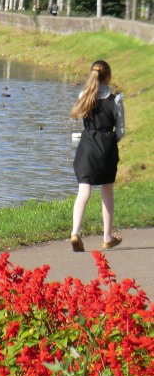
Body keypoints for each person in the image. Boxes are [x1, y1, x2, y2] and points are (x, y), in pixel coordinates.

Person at [69, 60, 124, 252]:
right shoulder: (115, 99)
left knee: (83, 191)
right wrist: (110, 141)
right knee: (107, 191)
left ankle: (75, 232)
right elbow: (121, 130)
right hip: (106, 147)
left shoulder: (83, 95)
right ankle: (107, 237)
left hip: (87, 147)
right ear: (108, 76)